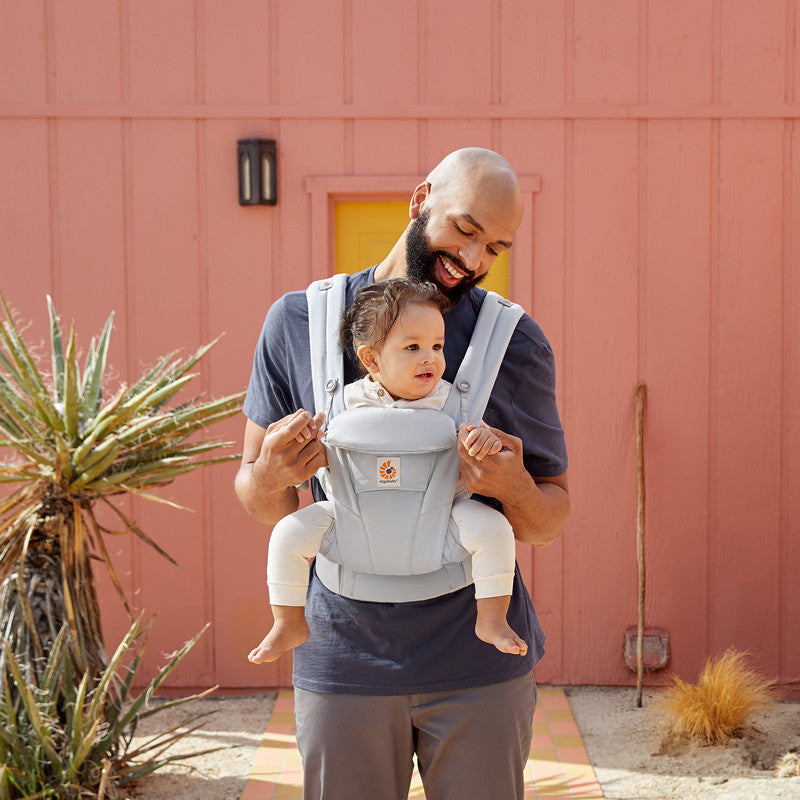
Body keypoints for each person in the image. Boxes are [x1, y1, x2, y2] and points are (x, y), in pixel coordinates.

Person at [236, 147, 569, 800]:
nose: (473, 261)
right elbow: (257, 496)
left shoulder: (514, 343)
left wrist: (510, 486)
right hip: (343, 663)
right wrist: (272, 474)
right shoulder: (298, 324)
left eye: (494, 248)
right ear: (420, 201)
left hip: (477, 670)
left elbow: (550, 518)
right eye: (466, 230)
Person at [247, 277, 527, 665]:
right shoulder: (343, 404)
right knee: (287, 534)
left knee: (494, 528)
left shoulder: (453, 405)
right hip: (349, 525)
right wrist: (301, 441)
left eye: (437, 346)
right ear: (371, 360)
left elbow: (478, 449)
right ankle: (288, 621)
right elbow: (322, 457)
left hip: (441, 526)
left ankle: (492, 618)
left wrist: (484, 444)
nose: (430, 357)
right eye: (412, 347)